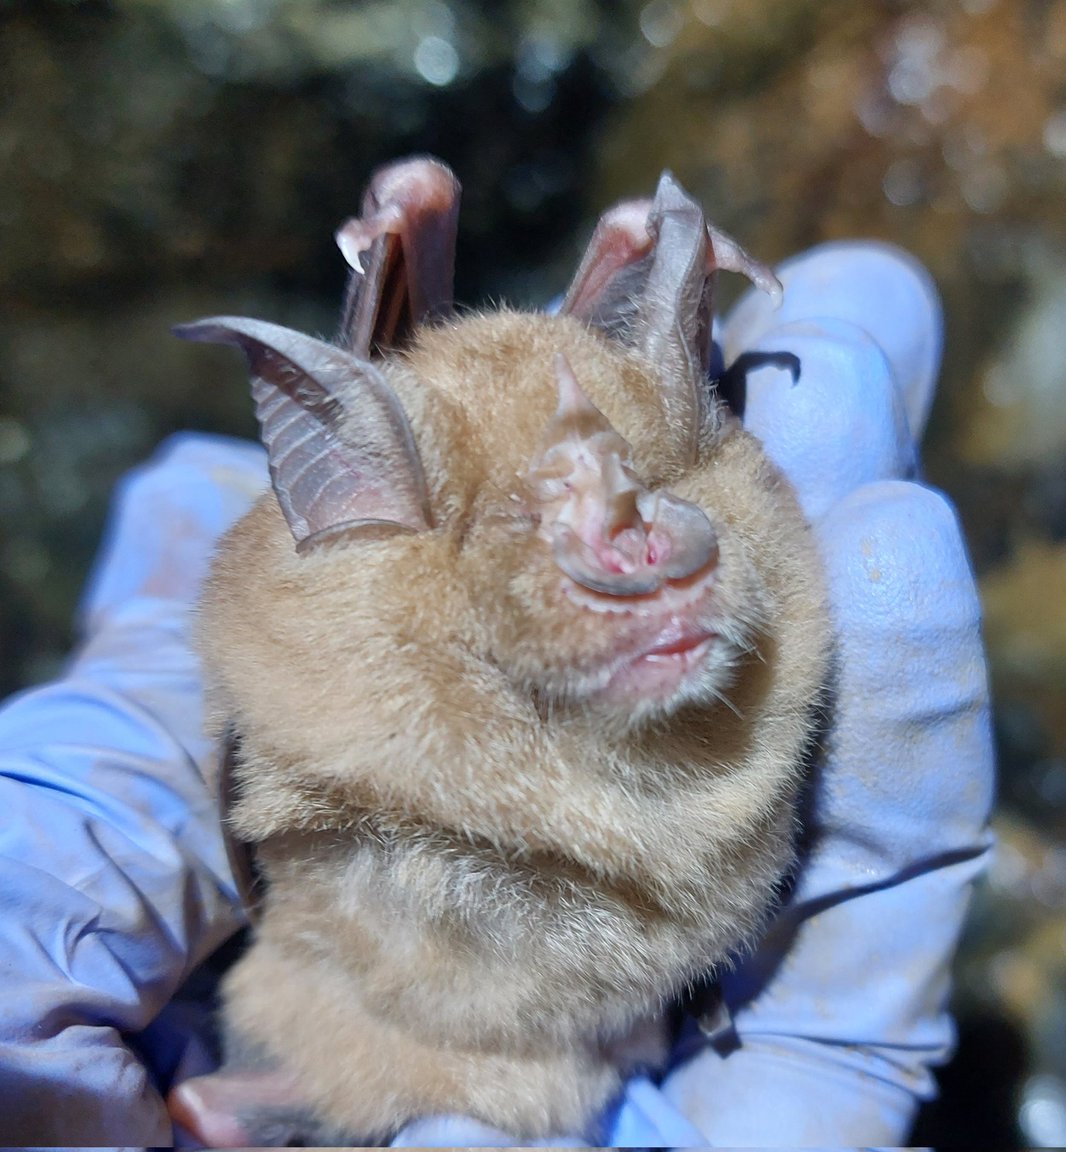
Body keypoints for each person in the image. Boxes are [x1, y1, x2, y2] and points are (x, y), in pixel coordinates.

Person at [0, 241, 994, 1147]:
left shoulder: (711, 573)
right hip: (386, 1007)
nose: (656, 563)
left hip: (618, 971)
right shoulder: (363, 657)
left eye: (640, 502)